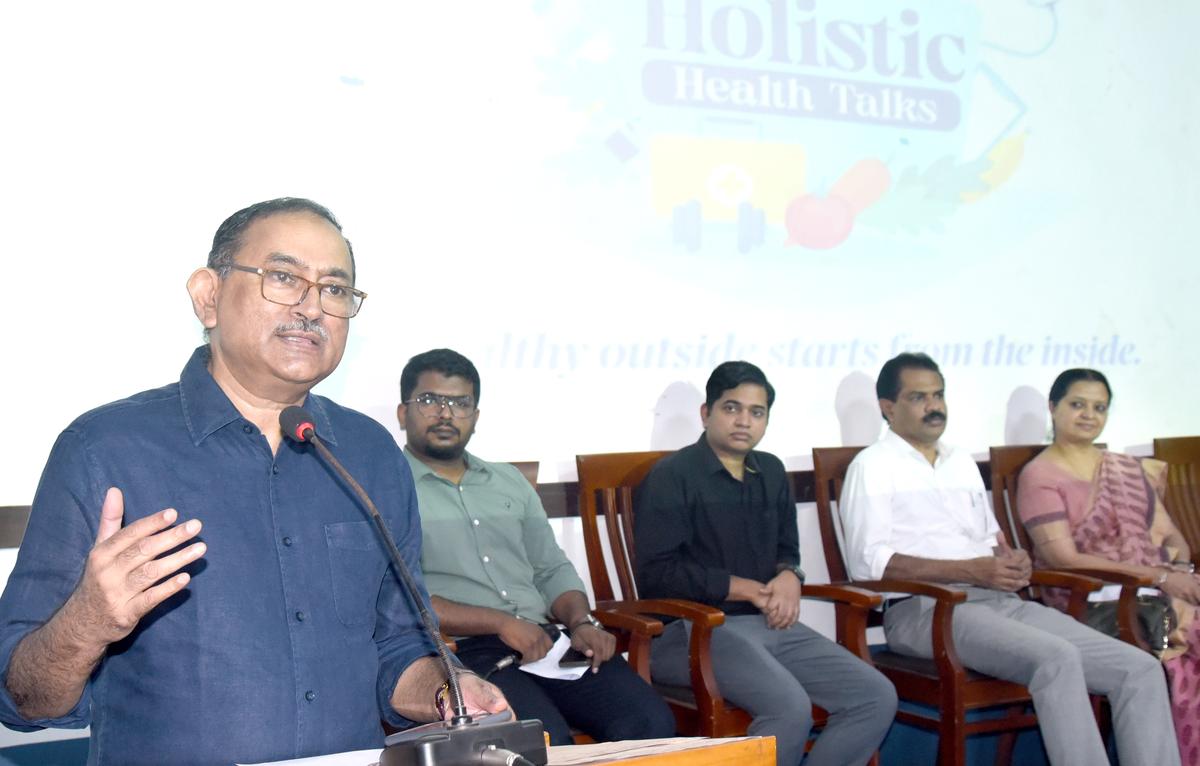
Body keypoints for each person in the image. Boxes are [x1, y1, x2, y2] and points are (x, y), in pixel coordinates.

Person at [0, 199, 506, 766]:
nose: (313, 307)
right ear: (207, 296)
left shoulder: (371, 456)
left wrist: (447, 690)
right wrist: (87, 622)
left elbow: (399, 648)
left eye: (335, 290)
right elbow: (21, 698)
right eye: (284, 277)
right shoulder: (105, 449)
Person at [840, 352, 1178, 766]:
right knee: (1055, 658)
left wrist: (1009, 558)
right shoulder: (872, 466)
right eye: (919, 397)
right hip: (925, 610)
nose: (935, 406)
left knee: (1138, 668)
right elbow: (869, 564)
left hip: (996, 601)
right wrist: (971, 570)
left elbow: (988, 539)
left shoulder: (959, 461)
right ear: (887, 407)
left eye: (939, 395)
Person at [398, 348, 675, 745]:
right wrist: (501, 623)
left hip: (548, 641)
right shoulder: (391, 490)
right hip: (464, 653)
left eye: (460, 403)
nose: (446, 414)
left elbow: (551, 569)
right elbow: (408, 598)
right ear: (402, 412)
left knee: (649, 723)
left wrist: (581, 621)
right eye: (430, 400)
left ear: (475, 417)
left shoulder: (508, 481)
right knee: (543, 741)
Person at [634, 361, 896, 766]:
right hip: (690, 633)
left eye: (757, 413)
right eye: (731, 408)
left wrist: (792, 575)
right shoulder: (672, 476)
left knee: (874, 696)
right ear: (706, 414)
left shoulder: (771, 471)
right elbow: (657, 575)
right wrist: (742, 588)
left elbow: (787, 551)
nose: (744, 421)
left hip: (767, 625)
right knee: (790, 707)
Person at [1017, 367, 1199, 765]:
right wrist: (1162, 577)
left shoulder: (1124, 468)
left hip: (1154, 590)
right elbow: (1063, 559)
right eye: (1077, 404)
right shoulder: (1040, 475)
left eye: (1099, 407)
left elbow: (1171, 537)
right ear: (1053, 408)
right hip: (1089, 603)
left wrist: (1181, 569)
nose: (1088, 415)